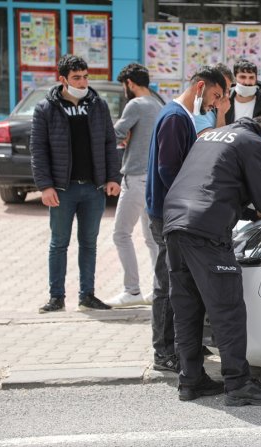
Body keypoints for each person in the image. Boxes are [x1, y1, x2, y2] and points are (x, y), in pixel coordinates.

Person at [163, 116, 261, 404]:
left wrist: (251, 213)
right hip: (206, 232)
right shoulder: (256, 143)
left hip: (174, 224)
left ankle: (190, 380)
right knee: (228, 310)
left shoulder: (210, 137)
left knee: (187, 309)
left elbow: (214, 186)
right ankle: (238, 384)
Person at [146, 66, 229, 372]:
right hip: (167, 213)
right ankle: (164, 352)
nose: (214, 104)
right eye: (215, 96)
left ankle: (180, 346)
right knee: (168, 285)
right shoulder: (175, 117)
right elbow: (169, 169)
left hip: (171, 211)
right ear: (200, 87)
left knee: (178, 282)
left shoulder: (180, 115)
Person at [31, 54, 121, 313]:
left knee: (89, 243)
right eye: (76, 78)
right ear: (63, 79)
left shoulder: (98, 105)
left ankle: (87, 294)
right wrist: (45, 186)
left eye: (85, 77)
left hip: (93, 188)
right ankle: (56, 297)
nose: (82, 83)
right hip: (62, 189)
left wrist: (113, 178)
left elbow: (108, 143)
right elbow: (38, 150)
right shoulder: (46, 108)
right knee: (59, 243)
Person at [105, 63, 162, 308]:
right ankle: (159, 289)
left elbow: (115, 134)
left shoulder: (135, 104)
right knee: (152, 239)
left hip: (135, 176)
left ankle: (132, 290)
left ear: (130, 83)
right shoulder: (159, 105)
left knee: (121, 234)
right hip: (154, 179)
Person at [204, 59, 261, 171]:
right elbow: (216, 134)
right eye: (242, 77)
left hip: (258, 166)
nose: (247, 82)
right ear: (235, 79)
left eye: (251, 77)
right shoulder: (222, 103)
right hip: (228, 165)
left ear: (256, 79)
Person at [193, 63, 234, 136]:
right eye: (222, 88)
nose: (225, 94)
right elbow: (216, 142)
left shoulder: (212, 109)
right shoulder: (197, 109)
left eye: (227, 90)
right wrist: (221, 113)